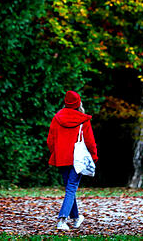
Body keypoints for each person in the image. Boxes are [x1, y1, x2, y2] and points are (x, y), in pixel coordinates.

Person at [47, 90, 98, 231]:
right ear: (78, 103)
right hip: (78, 159)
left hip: (61, 158)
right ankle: (62, 220)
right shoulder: (83, 120)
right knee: (71, 188)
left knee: (70, 189)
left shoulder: (57, 118)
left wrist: (55, 153)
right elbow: (90, 141)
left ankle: (76, 219)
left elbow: (50, 140)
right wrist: (94, 156)